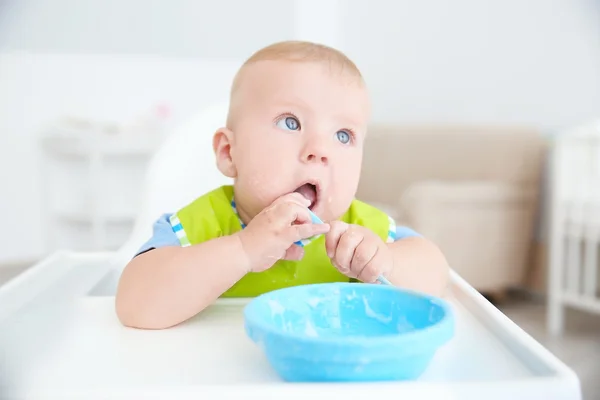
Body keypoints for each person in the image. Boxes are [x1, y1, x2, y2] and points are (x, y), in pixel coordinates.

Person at [115, 40, 449, 330]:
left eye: (343, 135)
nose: (319, 150)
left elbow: (435, 276)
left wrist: (386, 263)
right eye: (291, 123)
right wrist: (242, 250)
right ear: (230, 152)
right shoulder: (202, 225)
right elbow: (135, 304)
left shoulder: (360, 229)